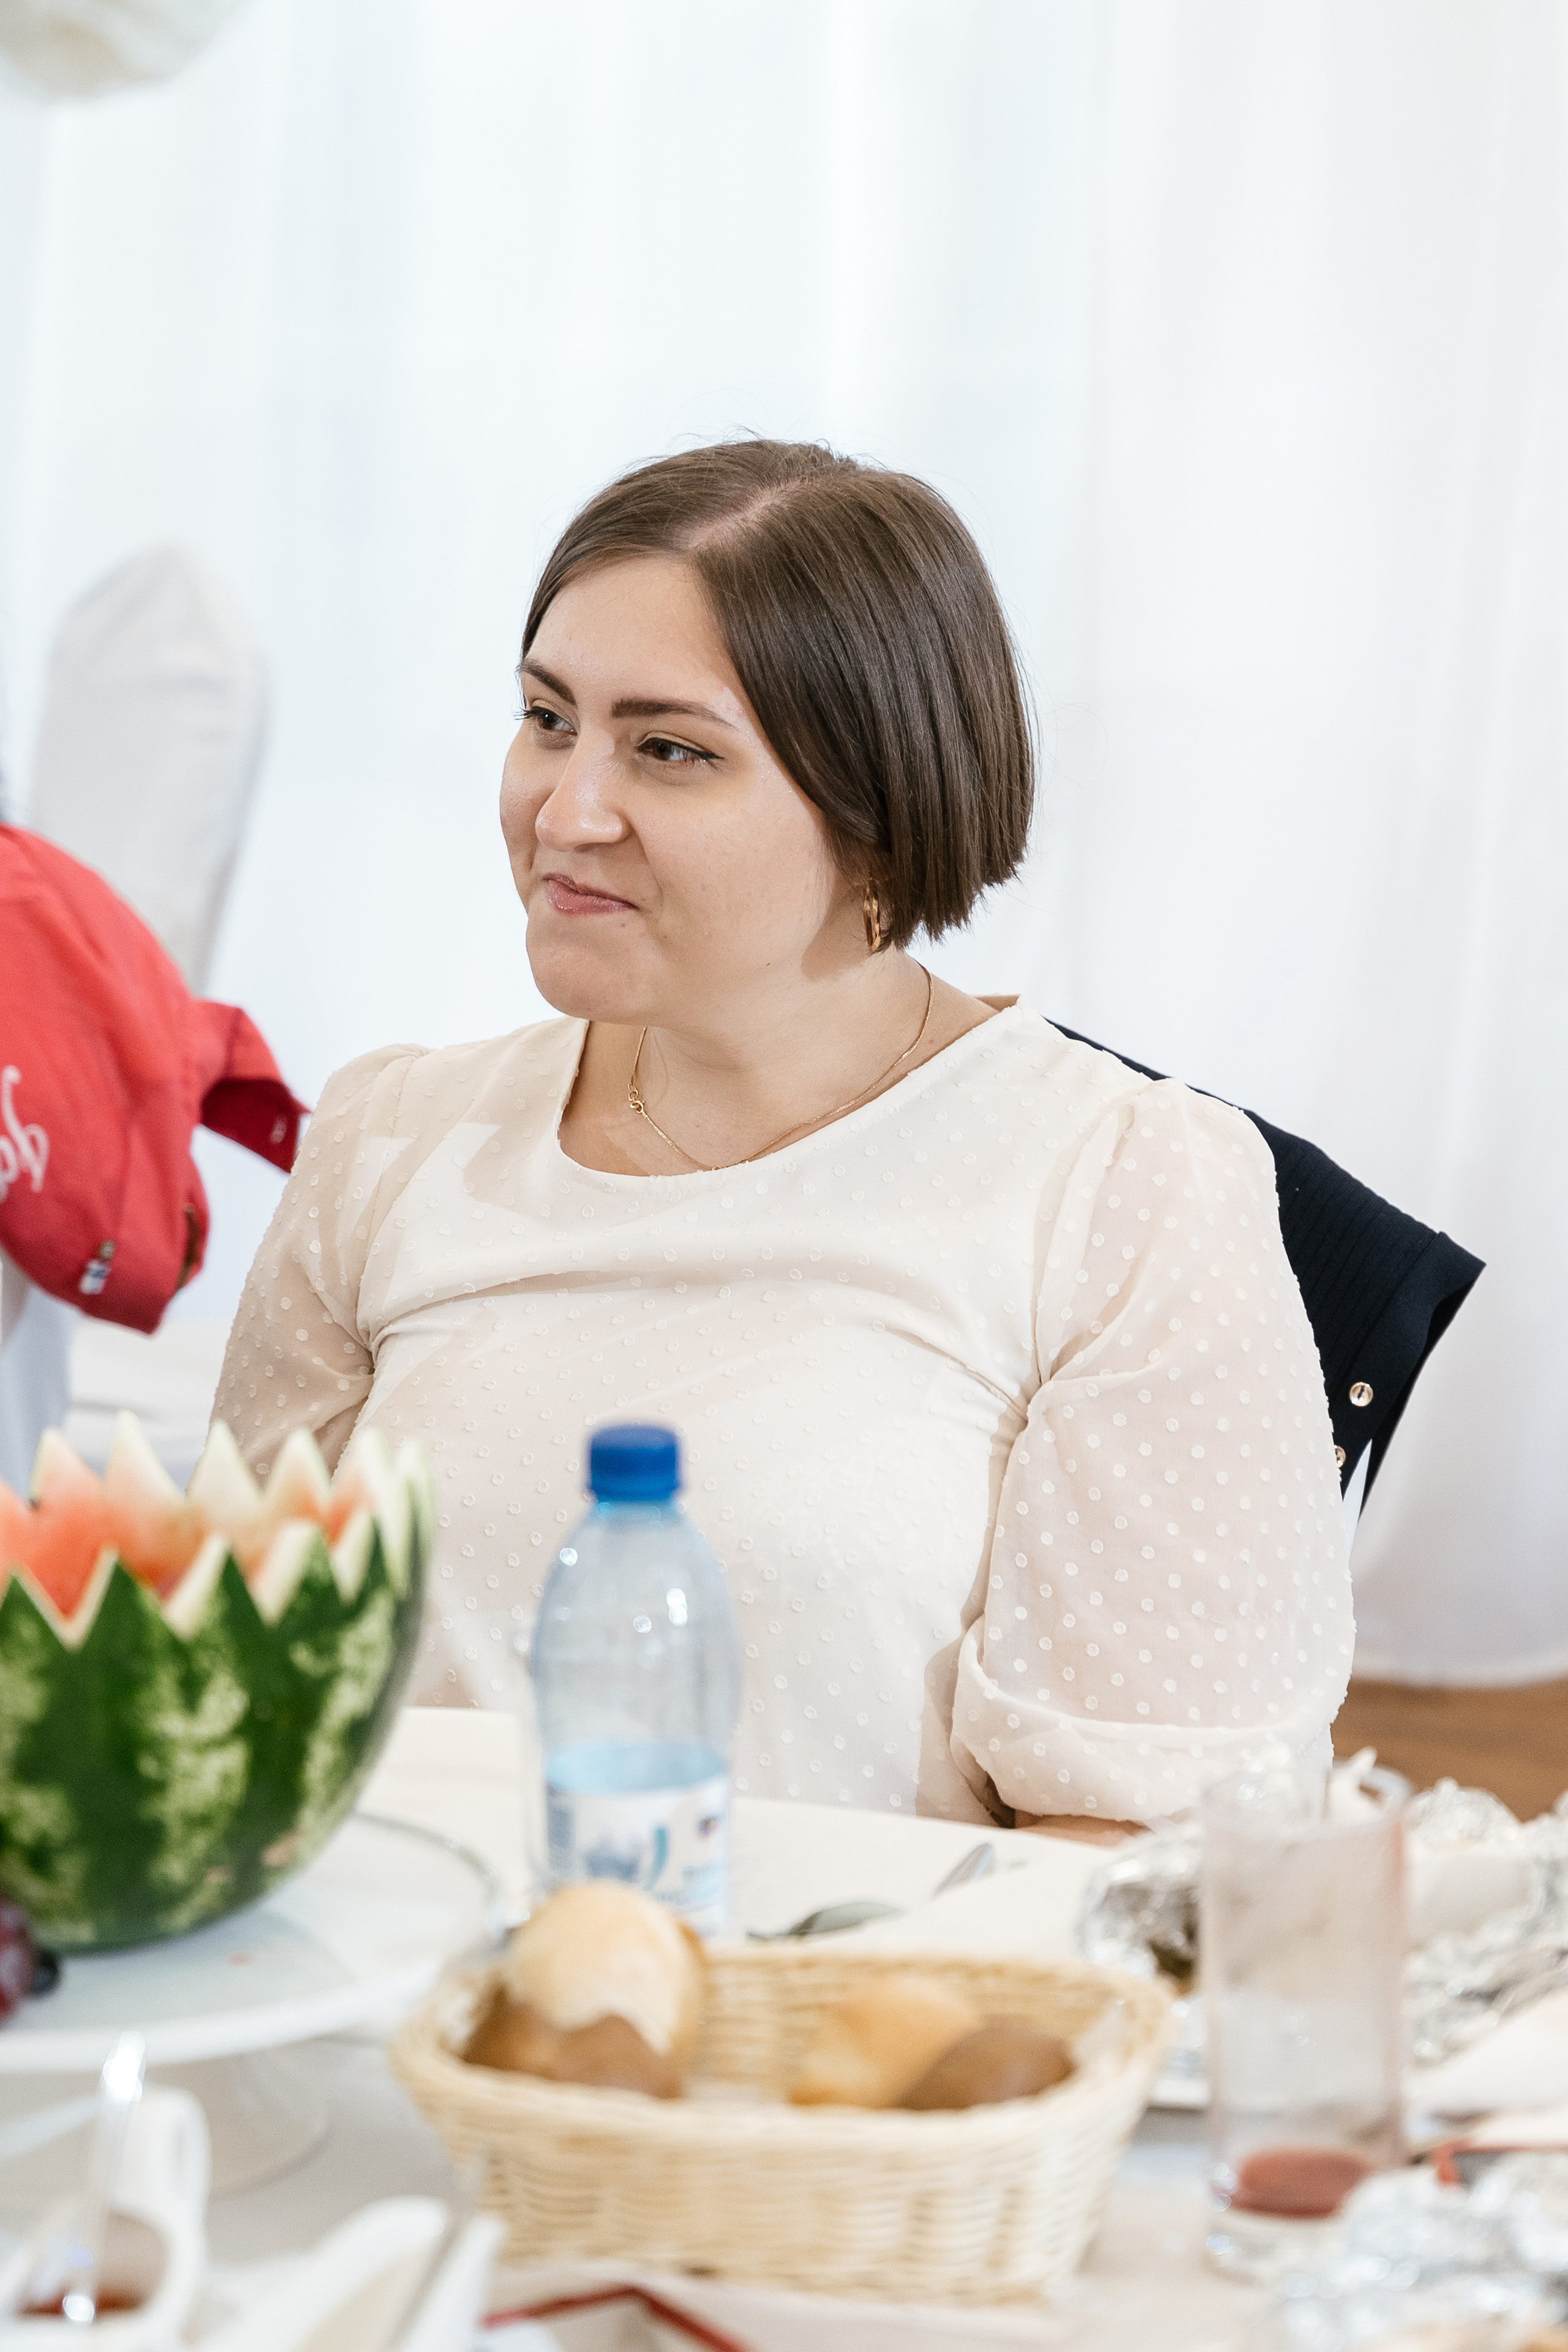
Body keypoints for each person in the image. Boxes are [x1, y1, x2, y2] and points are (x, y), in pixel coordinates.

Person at [213, 439, 1352, 1831]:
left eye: (669, 750)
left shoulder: (1123, 1190)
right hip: (393, 1948)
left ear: (877, 814)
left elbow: (1143, 1835)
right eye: (547, 717)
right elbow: (224, 1678)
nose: (564, 810)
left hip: (868, 1970)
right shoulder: (389, 1139)